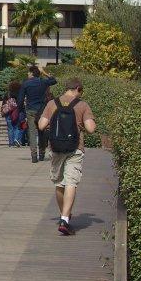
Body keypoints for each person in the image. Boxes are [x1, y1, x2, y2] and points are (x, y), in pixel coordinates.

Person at [37, 78, 96, 236]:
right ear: (77, 88)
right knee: (71, 182)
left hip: (56, 148)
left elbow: (41, 125)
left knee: (59, 183)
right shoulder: (82, 105)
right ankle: (65, 218)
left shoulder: (52, 104)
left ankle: (64, 215)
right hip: (75, 148)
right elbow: (91, 128)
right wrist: (82, 123)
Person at [17, 65, 57, 163]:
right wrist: (44, 72)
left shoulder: (26, 84)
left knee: (32, 132)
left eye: (28, 72)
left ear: (31, 73)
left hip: (30, 110)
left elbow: (20, 99)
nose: (27, 74)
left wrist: (20, 110)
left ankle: (34, 155)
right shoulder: (43, 82)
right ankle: (42, 153)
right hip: (42, 110)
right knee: (41, 131)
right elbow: (54, 80)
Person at [1, 80, 23, 147]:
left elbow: (4, 103)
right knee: (17, 127)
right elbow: (21, 103)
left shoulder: (8, 94)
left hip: (8, 113)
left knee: (10, 128)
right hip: (17, 112)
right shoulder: (20, 94)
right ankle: (16, 140)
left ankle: (11, 143)